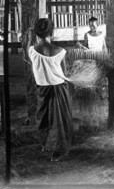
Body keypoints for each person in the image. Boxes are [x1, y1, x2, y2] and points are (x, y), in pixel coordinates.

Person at [28, 18, 73, 162]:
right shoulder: (60, 51)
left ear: (37, 33)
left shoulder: (32, 51)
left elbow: (36, 68)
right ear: (51, 32)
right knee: (59, 121)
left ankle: (46, 144)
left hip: (42, 89)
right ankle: (59, 150)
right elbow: (64, 73)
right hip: (58, 88)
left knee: (45, 118)